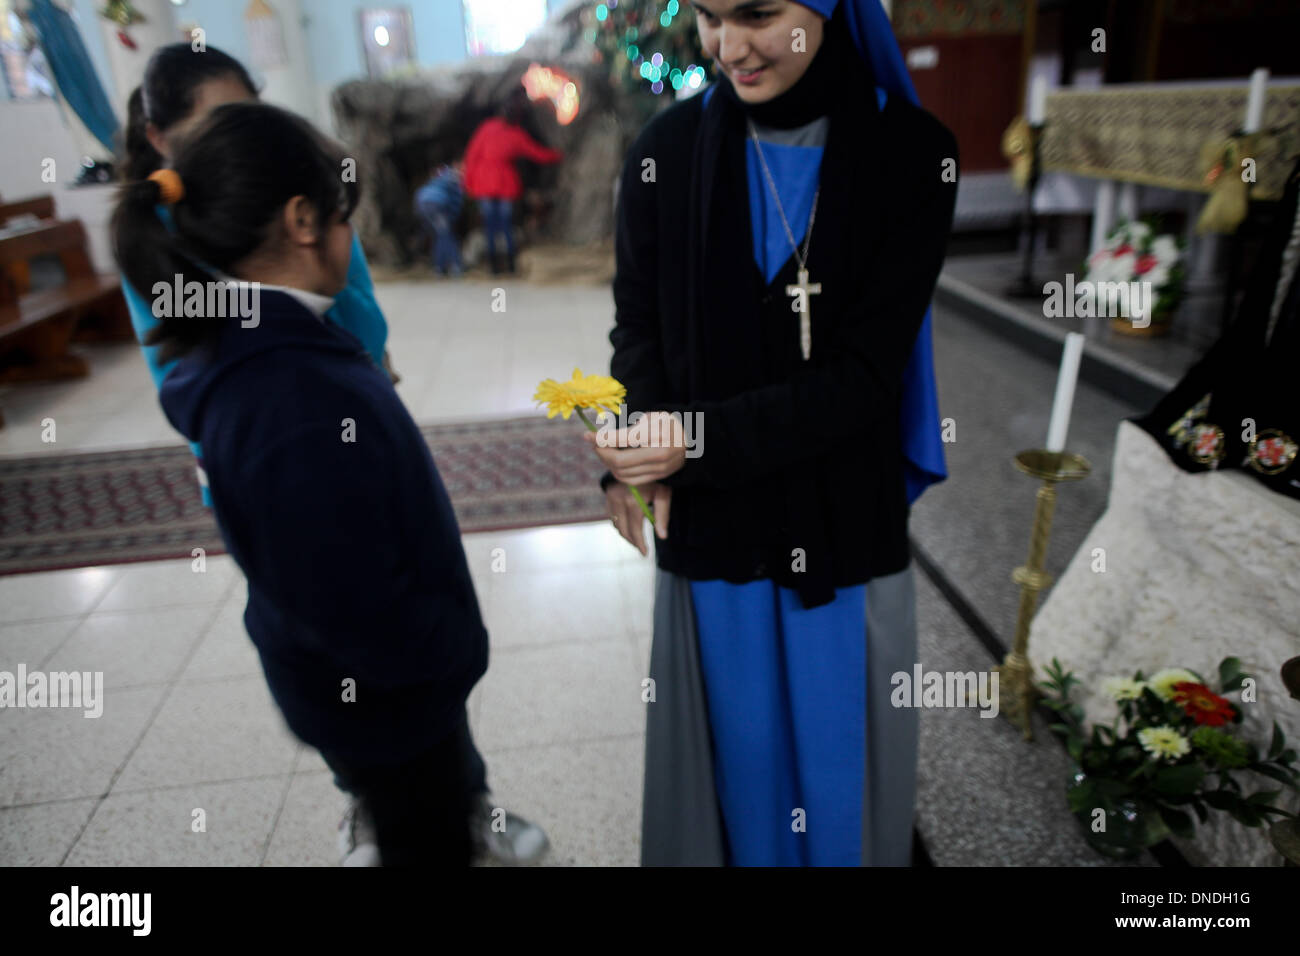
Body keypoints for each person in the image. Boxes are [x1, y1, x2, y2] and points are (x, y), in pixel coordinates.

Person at [117, 47, 547, 867]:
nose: (353, 234)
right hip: (389, 703)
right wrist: (450, 652)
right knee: (423, 841)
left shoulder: (260, 346)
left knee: (430, 816)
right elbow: (353, 603)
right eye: (344, 215)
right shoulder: (292, 399)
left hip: (374, 697)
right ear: (302, 222)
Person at [585, 0, 958, 865]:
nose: (727, 47)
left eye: (756, 13)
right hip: (715, 530)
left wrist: (696, 441)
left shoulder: (912, 155)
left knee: (838, 774)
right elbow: (637, 327)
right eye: (709, 16)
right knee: (738, 763)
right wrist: (633, 451)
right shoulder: (664, 154)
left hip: (839, 519)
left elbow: (868, 378)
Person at [119, 44, 389, 507]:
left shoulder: (311, 205)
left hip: (347, 414)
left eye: (250, 114)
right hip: (258, 447)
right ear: (159, 139)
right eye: (219, 122)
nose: (246, 136)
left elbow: (363, 316)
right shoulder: (156, 234)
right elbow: (175, 361)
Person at [462, 88, 564, 275]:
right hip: (486, 183)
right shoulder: (488, 128)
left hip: (502, 184)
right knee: (492, 226)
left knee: (504, 224)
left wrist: (557, 155)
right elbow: (472, 156)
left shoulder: (515, 134)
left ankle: (508, 265)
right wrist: (468, 183)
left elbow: (536, 153)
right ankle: (495, 266)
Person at [414, 159, 466, 277]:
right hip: (435, 205)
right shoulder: (455, 179)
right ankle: (454, 266)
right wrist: (453, 218)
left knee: (439, 235)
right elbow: (456, 202)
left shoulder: (440, 176)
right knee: (446, 235)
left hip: (421, 203)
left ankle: (440, 267)